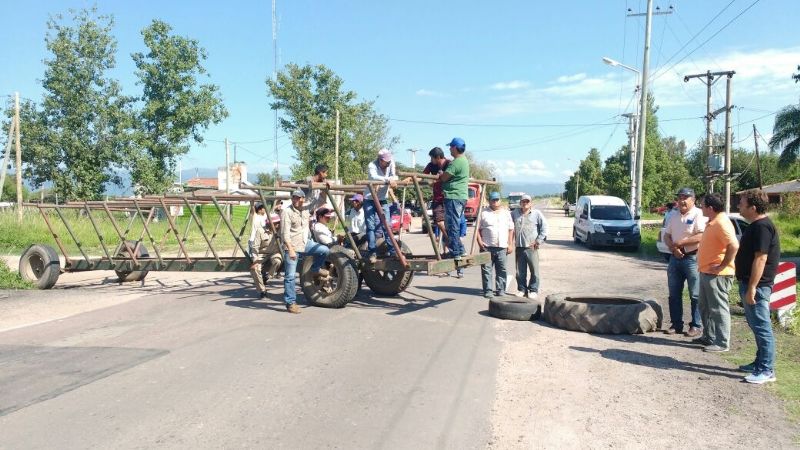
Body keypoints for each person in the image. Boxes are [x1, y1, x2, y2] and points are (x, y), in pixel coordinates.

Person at [735, 189, 780, 384]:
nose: (738, 206)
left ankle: (766, 370)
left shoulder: (762, 227)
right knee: (756, 325)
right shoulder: (755, 225)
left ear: (753, 208)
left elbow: (760, 259)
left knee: (762, 327)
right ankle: (759, 362)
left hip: (758, 286)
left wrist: (752, 287)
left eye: (742, 203)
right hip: (750, 283)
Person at [695, 193, 739, 352]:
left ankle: (722, 342)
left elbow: (734, 245)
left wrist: (722, 266)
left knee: (718, 308)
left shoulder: (721, 223)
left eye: (702, 205)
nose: (701, 208)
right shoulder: (713, 221)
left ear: (710, 208)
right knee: (705, 306)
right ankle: (709, 336)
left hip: (718, 275)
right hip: (707, 272)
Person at [663, 187, 707, 337]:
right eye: (679, 197)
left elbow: (701, 235)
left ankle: (696, 325)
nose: (681, 200)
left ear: (692, 200)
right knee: (674, 293)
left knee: (695, 294)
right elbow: (666, 236)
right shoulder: (673, 215)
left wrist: (681, 243)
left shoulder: (698, 214)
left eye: (685, 197)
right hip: (675, 258)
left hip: (692, 258)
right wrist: (673, 248)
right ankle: (676, 324)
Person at [280, 189, 330, 314]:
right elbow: (284, 233)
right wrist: (290, 250)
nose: (295, 200)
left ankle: (315, 268)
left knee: (324, 250)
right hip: (292, 246)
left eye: (298, 198)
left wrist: (325, 189)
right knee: (290, 276)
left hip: (305, 243)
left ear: (302, 199)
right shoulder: (287, 212)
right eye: (294, 198)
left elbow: (322, 200)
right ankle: (290, 303)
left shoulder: (307, 209)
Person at [476, 191, 514, 298]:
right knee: (486, 270)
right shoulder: (483, 213)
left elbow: (511, 229)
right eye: (493, 200)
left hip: (502, 247)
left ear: (500, 200)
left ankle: (500, 290)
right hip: (487, 247)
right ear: (489, 201)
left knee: (502, 269)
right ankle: (488, 290)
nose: (495, 202)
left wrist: (510, 244)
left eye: (497, 199)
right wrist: (479, 242)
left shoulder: (506, 213)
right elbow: (477, 230)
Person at [364, 148, 398, 262]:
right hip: (369, 198)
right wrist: (389, 180)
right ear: (380, 160)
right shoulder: (372, 165)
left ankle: (393, 251)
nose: (387, 163)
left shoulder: (391, 162)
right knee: (371, 227)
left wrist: (393, 179)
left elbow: (395, 175)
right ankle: (372, 253)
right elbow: (374, 177)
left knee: (387, 225)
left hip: (382, 199)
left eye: (389, 161)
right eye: (385, 161)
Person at [438, 137, 470, 261]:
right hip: (460, 196)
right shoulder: (464, 160)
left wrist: (441, 175)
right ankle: (460, 250)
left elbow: (444, 177)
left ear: (455, 148)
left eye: (451, 147)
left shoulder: (457, 162)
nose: (449, 149)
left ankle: (456, 252)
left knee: (452, 225)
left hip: (453, 196)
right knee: (454, 223)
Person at [512, 194, 548, 299]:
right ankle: (521, 289)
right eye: (523, 201)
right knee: (520, 271)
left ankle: (533, 289)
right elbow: (508, 224)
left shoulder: (537, 214)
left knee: (534, 270)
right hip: (519, 247)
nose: (525, 203)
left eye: (527, 201)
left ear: (531, 203)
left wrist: (538, 241)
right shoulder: (514, 213)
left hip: (532, 247)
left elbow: (545, 227)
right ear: (520, 203)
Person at [250, 213, 283, 298]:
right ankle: (262, 290)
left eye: (278, 222)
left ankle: (268, 277)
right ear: (269, 223)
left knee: (277, 261)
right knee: (255, 269)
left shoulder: (280, 231)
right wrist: (255, 261)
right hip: (262, 254)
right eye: (275, 223)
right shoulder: (260, 231)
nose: (277, 225)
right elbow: (255, 247)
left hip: (275, 253)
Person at [423, 147, 450, 249]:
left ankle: (452, 242)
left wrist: (434, 181)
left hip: (448, 197)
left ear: (438, 157)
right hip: (437, 197)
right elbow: (422, 175)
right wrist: (409, 178)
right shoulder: (431, 165)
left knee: (450, 222)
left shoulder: (449, 164)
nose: (431, 160)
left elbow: (448, 177)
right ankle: (448, 238)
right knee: (438, 221)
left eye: (432, 158)